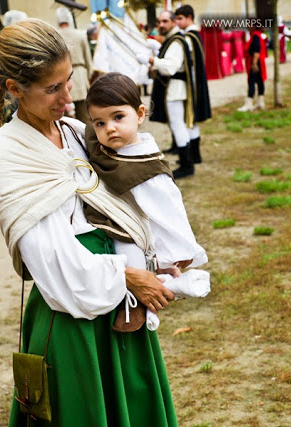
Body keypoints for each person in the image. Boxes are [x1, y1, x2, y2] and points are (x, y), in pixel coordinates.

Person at [0, 19, 205, 427]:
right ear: (10, 88)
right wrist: (127, 279)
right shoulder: (6, 152)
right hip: (74, 316)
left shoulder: (76, 131)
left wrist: (161, 254)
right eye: (52, 88)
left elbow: (129, 188)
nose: (67, 99)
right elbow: (51, 263)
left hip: (118, 300)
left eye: (68, 81)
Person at [84, 72, 209, 332]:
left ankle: (140, 305)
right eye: (100, 123)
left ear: (140, 114)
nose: (109, 128)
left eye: (118, 117)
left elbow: (167, 211)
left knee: (130, 255)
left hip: (131, 230)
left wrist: (177, 252)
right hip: (105, 221)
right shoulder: (101, 144)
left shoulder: (147, 165)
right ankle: (163, 283)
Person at [148, 11, 195, 179]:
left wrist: (153, 61)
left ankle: (187, 165)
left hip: (175, 90)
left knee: (178, 125)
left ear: (174, 22)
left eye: (165, 21)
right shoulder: (172, 40)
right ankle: (186, 162)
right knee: (178, 125)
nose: (161, 24)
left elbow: (171, 67)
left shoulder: (176, 42)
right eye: (159, 21)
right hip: (173, 89)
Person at [174, 5, 211, 164]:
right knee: (191, 120)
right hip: (195, 84)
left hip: (191, 85)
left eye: (180, 18)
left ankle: (192, 157)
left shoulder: (189, 38)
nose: (178, 22)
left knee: (188, 119)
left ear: (189, 17)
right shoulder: (194, 35)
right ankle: (195, 156)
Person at [55, 7, 93, 123]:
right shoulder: (79, 35)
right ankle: (88, 138)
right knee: (84, 114)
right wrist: (89, 75)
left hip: (60, 76)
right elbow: (88, 58)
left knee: (63, 115)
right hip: (80, 75)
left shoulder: (55, 35)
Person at [237, 26, 267, 112]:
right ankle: (260, 102)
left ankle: (249, 103)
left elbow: (256, 50)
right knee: (259, 81)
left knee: (251, 81)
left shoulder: (255, 36)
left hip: (255, 62)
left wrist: (254, 63)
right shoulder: (256, 35)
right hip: (257, 61)